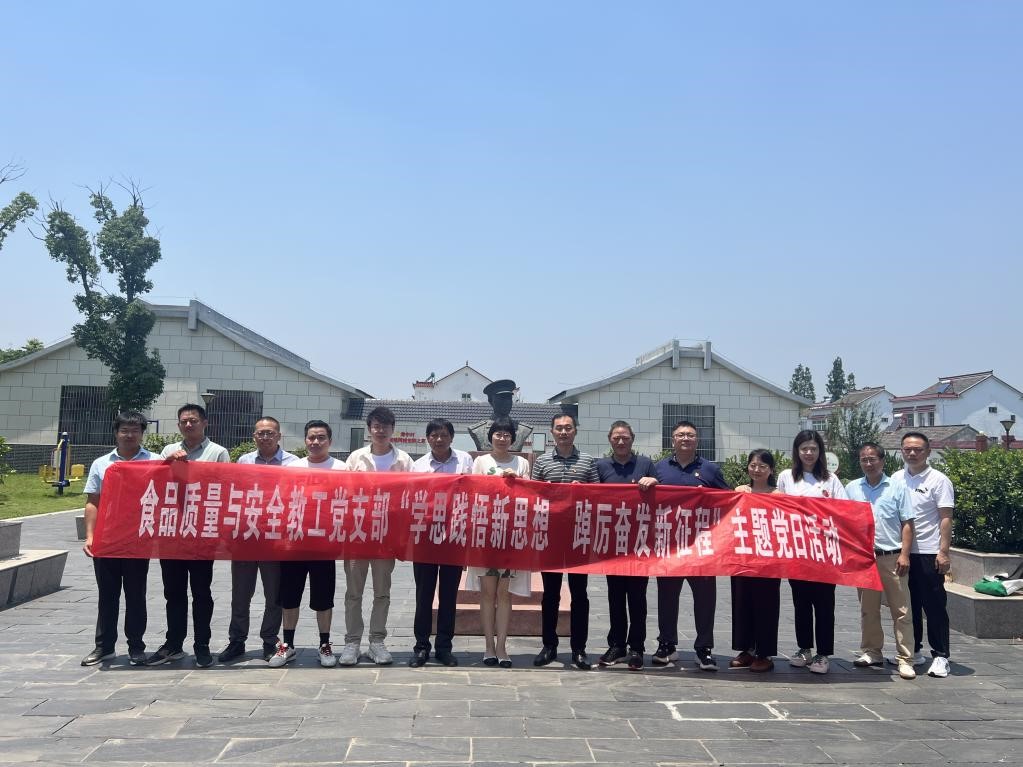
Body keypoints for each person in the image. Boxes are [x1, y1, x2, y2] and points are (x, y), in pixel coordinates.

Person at [147, 403, 230, 667]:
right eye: (184, 421)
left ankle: (202, 645)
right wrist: (168, 463)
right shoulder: (169, 450)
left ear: (205, 423)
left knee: (201, 591)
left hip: (201, 532)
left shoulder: (218, 452)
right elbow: (156, 482)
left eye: (194, 420)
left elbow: (224, 487)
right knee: (173, 591)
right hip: (172, 531)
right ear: (178, 425)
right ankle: (173, 643)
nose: (189, 425)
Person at [219, 416, 298, 664]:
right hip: (246, 536)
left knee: (274, 594)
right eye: (260, 433)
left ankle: (269, 640)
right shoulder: (243, 461)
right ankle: (237, 641)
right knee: (241, 593)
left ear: (279, 436)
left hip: (275, 538)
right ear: (254, 436)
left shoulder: (293, 464)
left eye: (270, 433)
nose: (265, 437)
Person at [269, 420, 346, 668]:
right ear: (305, 441)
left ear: (330, 441)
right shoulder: (292, 468)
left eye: (321, 437)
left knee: (324, 597)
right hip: (295, 543)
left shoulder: (341, 469)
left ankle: (324, 644)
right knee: (289, 596)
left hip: (325, 545)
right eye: (311, 437)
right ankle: (288, 645)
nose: (316, 442)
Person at [653, 420, 728, 671]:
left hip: (702, 547)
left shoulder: (710, 469)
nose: (685, 438)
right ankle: (667, 644)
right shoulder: (659, 468)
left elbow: (728, 500)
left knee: (705, 599)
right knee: (667, 597)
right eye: (680, 435)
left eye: (690, 435)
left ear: (697, 440)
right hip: (670, 546)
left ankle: (704, 648)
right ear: (672, 440)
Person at [80, 411, 154, 667]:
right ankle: (104, 647)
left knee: (136, 595)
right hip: (107, 539)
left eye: (135, 430)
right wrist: (90, 536)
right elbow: (93, 502)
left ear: (142, 434)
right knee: (107, 595)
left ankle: (136, 647)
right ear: (116, 433)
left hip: (137, 540)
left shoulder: (155, 461)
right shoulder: (101, 463)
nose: (129, 435)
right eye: (124, 430)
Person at [341, 406, 413, 666]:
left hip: (386, 536)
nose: (381, 431)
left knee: (382, 591)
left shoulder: (403, 460)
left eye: (385, 426)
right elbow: (343, 493)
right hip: (357, 533)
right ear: (369, 430)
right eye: (376, 426)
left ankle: (376, 641)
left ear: (393, 430)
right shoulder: (356, 458)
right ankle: (352, 642)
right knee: (354, 592)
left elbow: (410, 496)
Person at [531, 413, 599, 671]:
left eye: (568, 428)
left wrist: (583, 491)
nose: (563, 432)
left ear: (575, 431)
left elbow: (599, 495)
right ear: (552, 432)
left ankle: (579, 649)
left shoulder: (588, 461)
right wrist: (544, 490)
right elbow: (532, 496)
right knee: (550, 594)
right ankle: (549, 645)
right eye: (559, 428)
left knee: (580, 594)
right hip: (550, 536)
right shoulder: (542, 461)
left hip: (578, 536)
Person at [776, 429, 847, 675]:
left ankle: (823, 653)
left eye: (813, 449)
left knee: (824, 603)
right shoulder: (786, 477)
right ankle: (804, 648)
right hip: (797, 551)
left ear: (820, 452)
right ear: (797, 451)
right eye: (804, 448)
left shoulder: (830, 479)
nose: (809, 453)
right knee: (801, 602)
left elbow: (844, 510)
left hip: (824, 553)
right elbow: (776, 507)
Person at [846, 442, 917, 680]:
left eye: (872, 459)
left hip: (892, 557)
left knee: (901, 610)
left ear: (882, 461)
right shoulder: (852, 488)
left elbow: (907, 523)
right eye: (864, 459)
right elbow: (844, 521)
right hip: (865, 558)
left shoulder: (897, 487)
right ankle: (872, 651)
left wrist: (905, 554)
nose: (868, 463)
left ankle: (905, 658)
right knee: (868, 609)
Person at [467, 416, 531, 668]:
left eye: (507, 435)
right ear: (490, 436)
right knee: (487, 592)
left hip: (511, 535)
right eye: (498, 434)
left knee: (505, 593)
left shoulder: (522, 463)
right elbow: (473, 492)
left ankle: (502, 646)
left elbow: (530, 496)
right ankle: (488, 647)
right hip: (485, 533)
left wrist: (518, 482)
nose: (502, 438)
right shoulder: (480, 462)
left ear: (513, 438)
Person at [409, 418, 474, 667]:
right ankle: (421, 647)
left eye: (444, 434)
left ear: (451, 437)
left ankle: (444, 647)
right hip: (425, 538)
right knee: (423, 595)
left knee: (448, 596)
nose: (439, 439)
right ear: (427, 438)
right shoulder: (418, 466)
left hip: (454, 537)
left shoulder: (465, 461)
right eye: (434, 435)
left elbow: (474, 494)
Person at [595, 420, 658, 671]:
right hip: (613, 542)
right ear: (609, 440)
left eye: (625, 438)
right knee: (615, 596)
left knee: (638, 597)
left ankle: (637, 648)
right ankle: (617, 645)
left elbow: (662, 492)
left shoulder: (645, 464)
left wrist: (653, 480)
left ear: (633, 439)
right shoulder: (601, 466)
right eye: (616, 438)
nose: (621, 442)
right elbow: (591, 496)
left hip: (639, 543)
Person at [893, 431, 955, 679]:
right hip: (903, 552)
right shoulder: (896, 478)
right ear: (901, 451)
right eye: (907, 449)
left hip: (929, 552)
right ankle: (915, 650)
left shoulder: (939, 480)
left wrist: (944, 551)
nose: (912, 453)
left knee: (934, 605)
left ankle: (940, 655)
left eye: (918, 449)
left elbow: (946, 518)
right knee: (910, 605)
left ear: (928, 451)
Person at [730, 449, 782, 673]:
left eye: (762, 466)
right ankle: (746, 649)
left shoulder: (778, 495)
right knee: (742, 602)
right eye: (753, 465)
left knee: (766, 605)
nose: (757, 470)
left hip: (768, 560)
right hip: (742, 556)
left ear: (771, 470)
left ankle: (764, 653)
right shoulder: (740, 492)